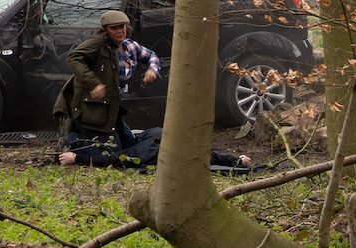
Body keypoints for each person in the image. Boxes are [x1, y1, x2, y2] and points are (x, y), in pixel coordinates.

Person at [52, 10, 250, 171]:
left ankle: (75, 151)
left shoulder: (130, 47)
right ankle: (73, 148)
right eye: (114, 28)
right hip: (94, 106)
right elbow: (74, 57)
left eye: (122, 27)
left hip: (115, 108)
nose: (120, 31)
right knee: (110, 146)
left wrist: (152, 71)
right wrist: (93, 83)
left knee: (126, 146)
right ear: (105, 30)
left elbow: (152, 56)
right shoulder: (99, 45)